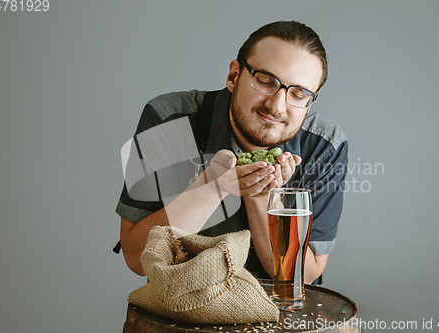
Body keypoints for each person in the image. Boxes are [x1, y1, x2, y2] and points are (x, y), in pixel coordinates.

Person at [115, 21, 348, 285]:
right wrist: (212, 186)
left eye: (299, 94)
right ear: (234, 76)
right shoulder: (169, 119)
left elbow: (301, 276)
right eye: (265, 81)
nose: (277, 106)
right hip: (184, 310)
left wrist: (263, 196)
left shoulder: (325, 145)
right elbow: (136, 258)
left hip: (282, 316)